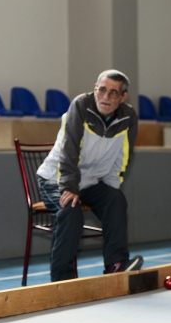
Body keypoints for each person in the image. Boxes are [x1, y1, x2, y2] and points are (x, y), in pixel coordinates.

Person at [37, 70, 143, 281]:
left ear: (123, 97)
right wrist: (69, 186)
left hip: (91, 182)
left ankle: (116, 265)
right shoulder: (81, 106)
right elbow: (69, 149)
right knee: (71, 210)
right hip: (56, 178)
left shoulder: (128, 117)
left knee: (116, 200)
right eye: (101, 90)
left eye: (113, 93)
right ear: (95, 89)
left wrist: (111, 188)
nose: (105, 97)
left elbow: (123, 157)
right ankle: (62, 280)